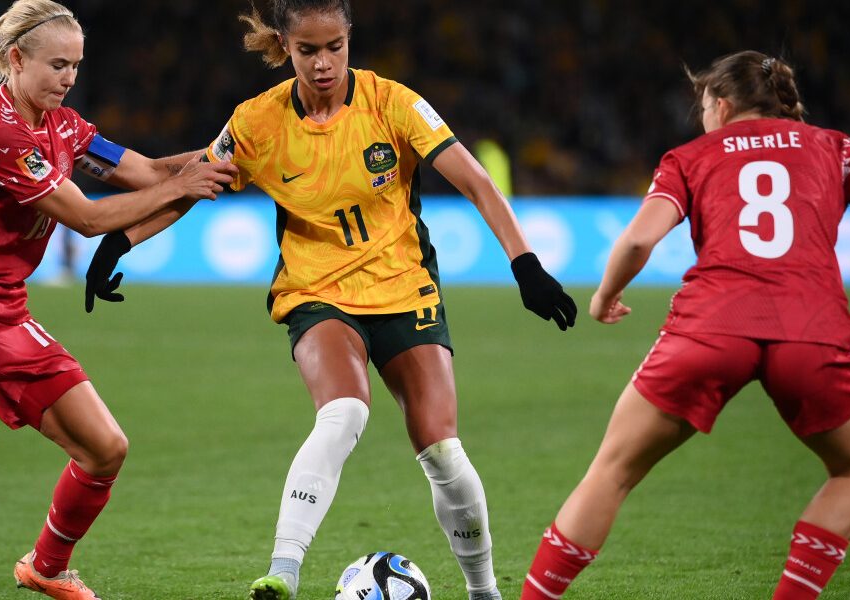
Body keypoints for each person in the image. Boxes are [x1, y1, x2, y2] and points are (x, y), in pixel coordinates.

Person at [85, 2, 577, 598]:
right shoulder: (256, 122)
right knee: (344, 412)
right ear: (285, 49)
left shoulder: (393, 103)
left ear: (350, 41)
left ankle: (482, 592)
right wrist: (120, 242)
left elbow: (474, 178)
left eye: (335, 47)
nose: (324, 64)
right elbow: (189, 188)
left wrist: (525, 264)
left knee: (443, 451)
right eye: (308, 51)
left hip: (403, 287)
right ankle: (284, 571)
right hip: (316, 292)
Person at [519, 51, 850, 600]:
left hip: (710, 327)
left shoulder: (690, 156)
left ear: (724, 104)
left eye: (703, 103)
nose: (702, 114)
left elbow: (639, 239)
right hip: (812, 328)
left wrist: (605, 296)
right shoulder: (837, 146)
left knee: (611, 471)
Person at [0, 2, 236, 599]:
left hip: (3, 309)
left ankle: (46, 567)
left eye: (75, 65)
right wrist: (186, 184)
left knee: (105, 448)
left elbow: (148, 173)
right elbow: (89, 220)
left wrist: (222, 155)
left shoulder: (66, 127)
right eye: (56, 65)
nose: (68, 77)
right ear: (16, 60)